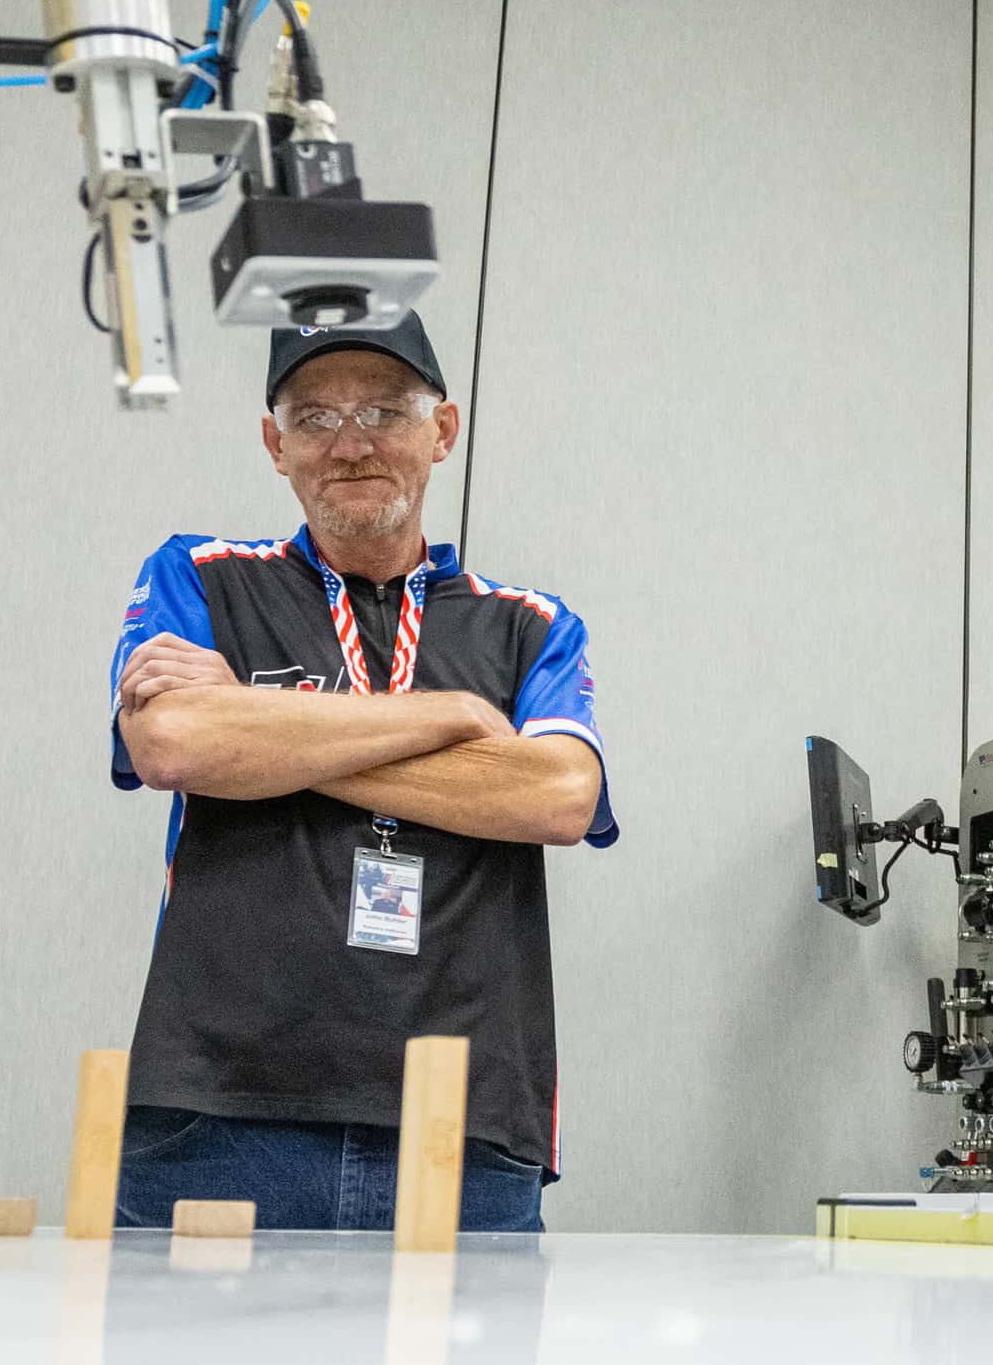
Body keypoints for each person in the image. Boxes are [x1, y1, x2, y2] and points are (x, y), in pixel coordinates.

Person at [109, 318, 614, 1234]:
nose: (350, 444)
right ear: (275, 444)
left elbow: (557, 795)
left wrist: (267, 735)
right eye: (314, 418)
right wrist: (449, 717)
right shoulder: (202, 577)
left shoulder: (530, 627)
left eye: (384, 411)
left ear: (443, 431)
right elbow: (174, 743)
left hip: (462, 1127)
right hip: (219, 1115)